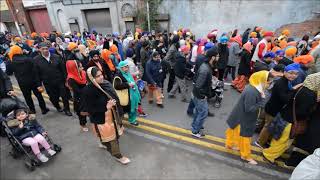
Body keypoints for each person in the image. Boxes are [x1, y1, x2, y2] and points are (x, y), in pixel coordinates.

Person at [262, 73, 319, 164]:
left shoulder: (301, 88)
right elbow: (302, 112)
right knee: (283, 141)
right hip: (290, 121)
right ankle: (269, 156)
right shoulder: (311, 95)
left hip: (283, 115)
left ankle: (269, 152)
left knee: (277, 138)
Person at [81, 67, 130, 165]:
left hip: (112, 115)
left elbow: (112, 96)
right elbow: (88, 109)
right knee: (112, 138)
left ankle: (103, 143)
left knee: (111, 136)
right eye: (97, 76)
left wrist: (113, 103)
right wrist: (106, 107)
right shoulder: (88, 91)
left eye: (101, 74)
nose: (101, 77)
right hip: (101, 119)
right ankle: (118, 156)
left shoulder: (105, 84)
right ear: (91, 78)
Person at [226, 70, 271, 165]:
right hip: (244, 119)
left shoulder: (253, 87)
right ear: (260, 80)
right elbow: (249, 109)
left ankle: (231, 145)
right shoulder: (252, 91)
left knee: (236, 133)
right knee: (245, 137)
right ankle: (245, 156)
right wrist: (262, 103)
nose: (268, 83)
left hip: (239, 117)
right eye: (267, 81)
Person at [256, 63, 301, 148]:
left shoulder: (286, 81)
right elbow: (285, 98)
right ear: (285, 72)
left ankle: (263, 140)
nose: (293, 76)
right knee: (268, 127)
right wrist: (293, 91)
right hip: (273, 109)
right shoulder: (281, 83)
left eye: (295, 74)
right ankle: (260, 142)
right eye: (291, 73)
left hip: (273, 107)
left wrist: (293, 88)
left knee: (268, 126)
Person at [33, 42, 72, 116]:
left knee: (64, 96)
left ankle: (67, 110)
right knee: (53, 98)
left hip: (59, 81)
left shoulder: (56, 57)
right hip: (48, 83)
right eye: (43, 49)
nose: (45, 50)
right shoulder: (36, 60)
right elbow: (36, 74)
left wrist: (67, 80)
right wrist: (39, 85)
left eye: (46, 49)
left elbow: (63, 70)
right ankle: (57, 106)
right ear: (39, 50)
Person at [9, 45, 49, 115]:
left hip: (22, 83)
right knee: (39, 95)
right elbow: (35, 71)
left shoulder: (11, 62)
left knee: (27, 97)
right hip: (33, 80)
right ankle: (44, 109)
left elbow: (8, 72)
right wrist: (39, 83)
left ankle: (32, 110)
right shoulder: (28, 59)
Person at [191, 47, 218, 138]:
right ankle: (195, 131)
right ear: (213, 57)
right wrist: (203, 96)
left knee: (199, 111)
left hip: (199, 94)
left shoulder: (207, 66)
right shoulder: (205, 69)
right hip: (200, 95)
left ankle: (195, 126)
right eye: (217, 56)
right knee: (203, 113)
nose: (218, 58)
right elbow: (198, 85)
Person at [113, 61, 140, 126]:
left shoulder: (127, 73)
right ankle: (118, 123)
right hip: (125, 97)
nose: (127, 68)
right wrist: (128, 84)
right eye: (125, 67)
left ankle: (132, 120)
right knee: (123, 111)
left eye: (127, 67)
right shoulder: (118, 76)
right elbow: (117, 86)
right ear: (121, 68)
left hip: (132, 94)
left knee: (132, 109)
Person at [66, 60, 88, 132]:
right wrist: (88, 89)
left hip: (86, 95)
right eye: (80, 67)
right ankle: (83, 124)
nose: (82, 68)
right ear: (74, 68)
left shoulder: (83, 73)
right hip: (79, 98)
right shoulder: (71, 79)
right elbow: (78, 91)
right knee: (82, 113)